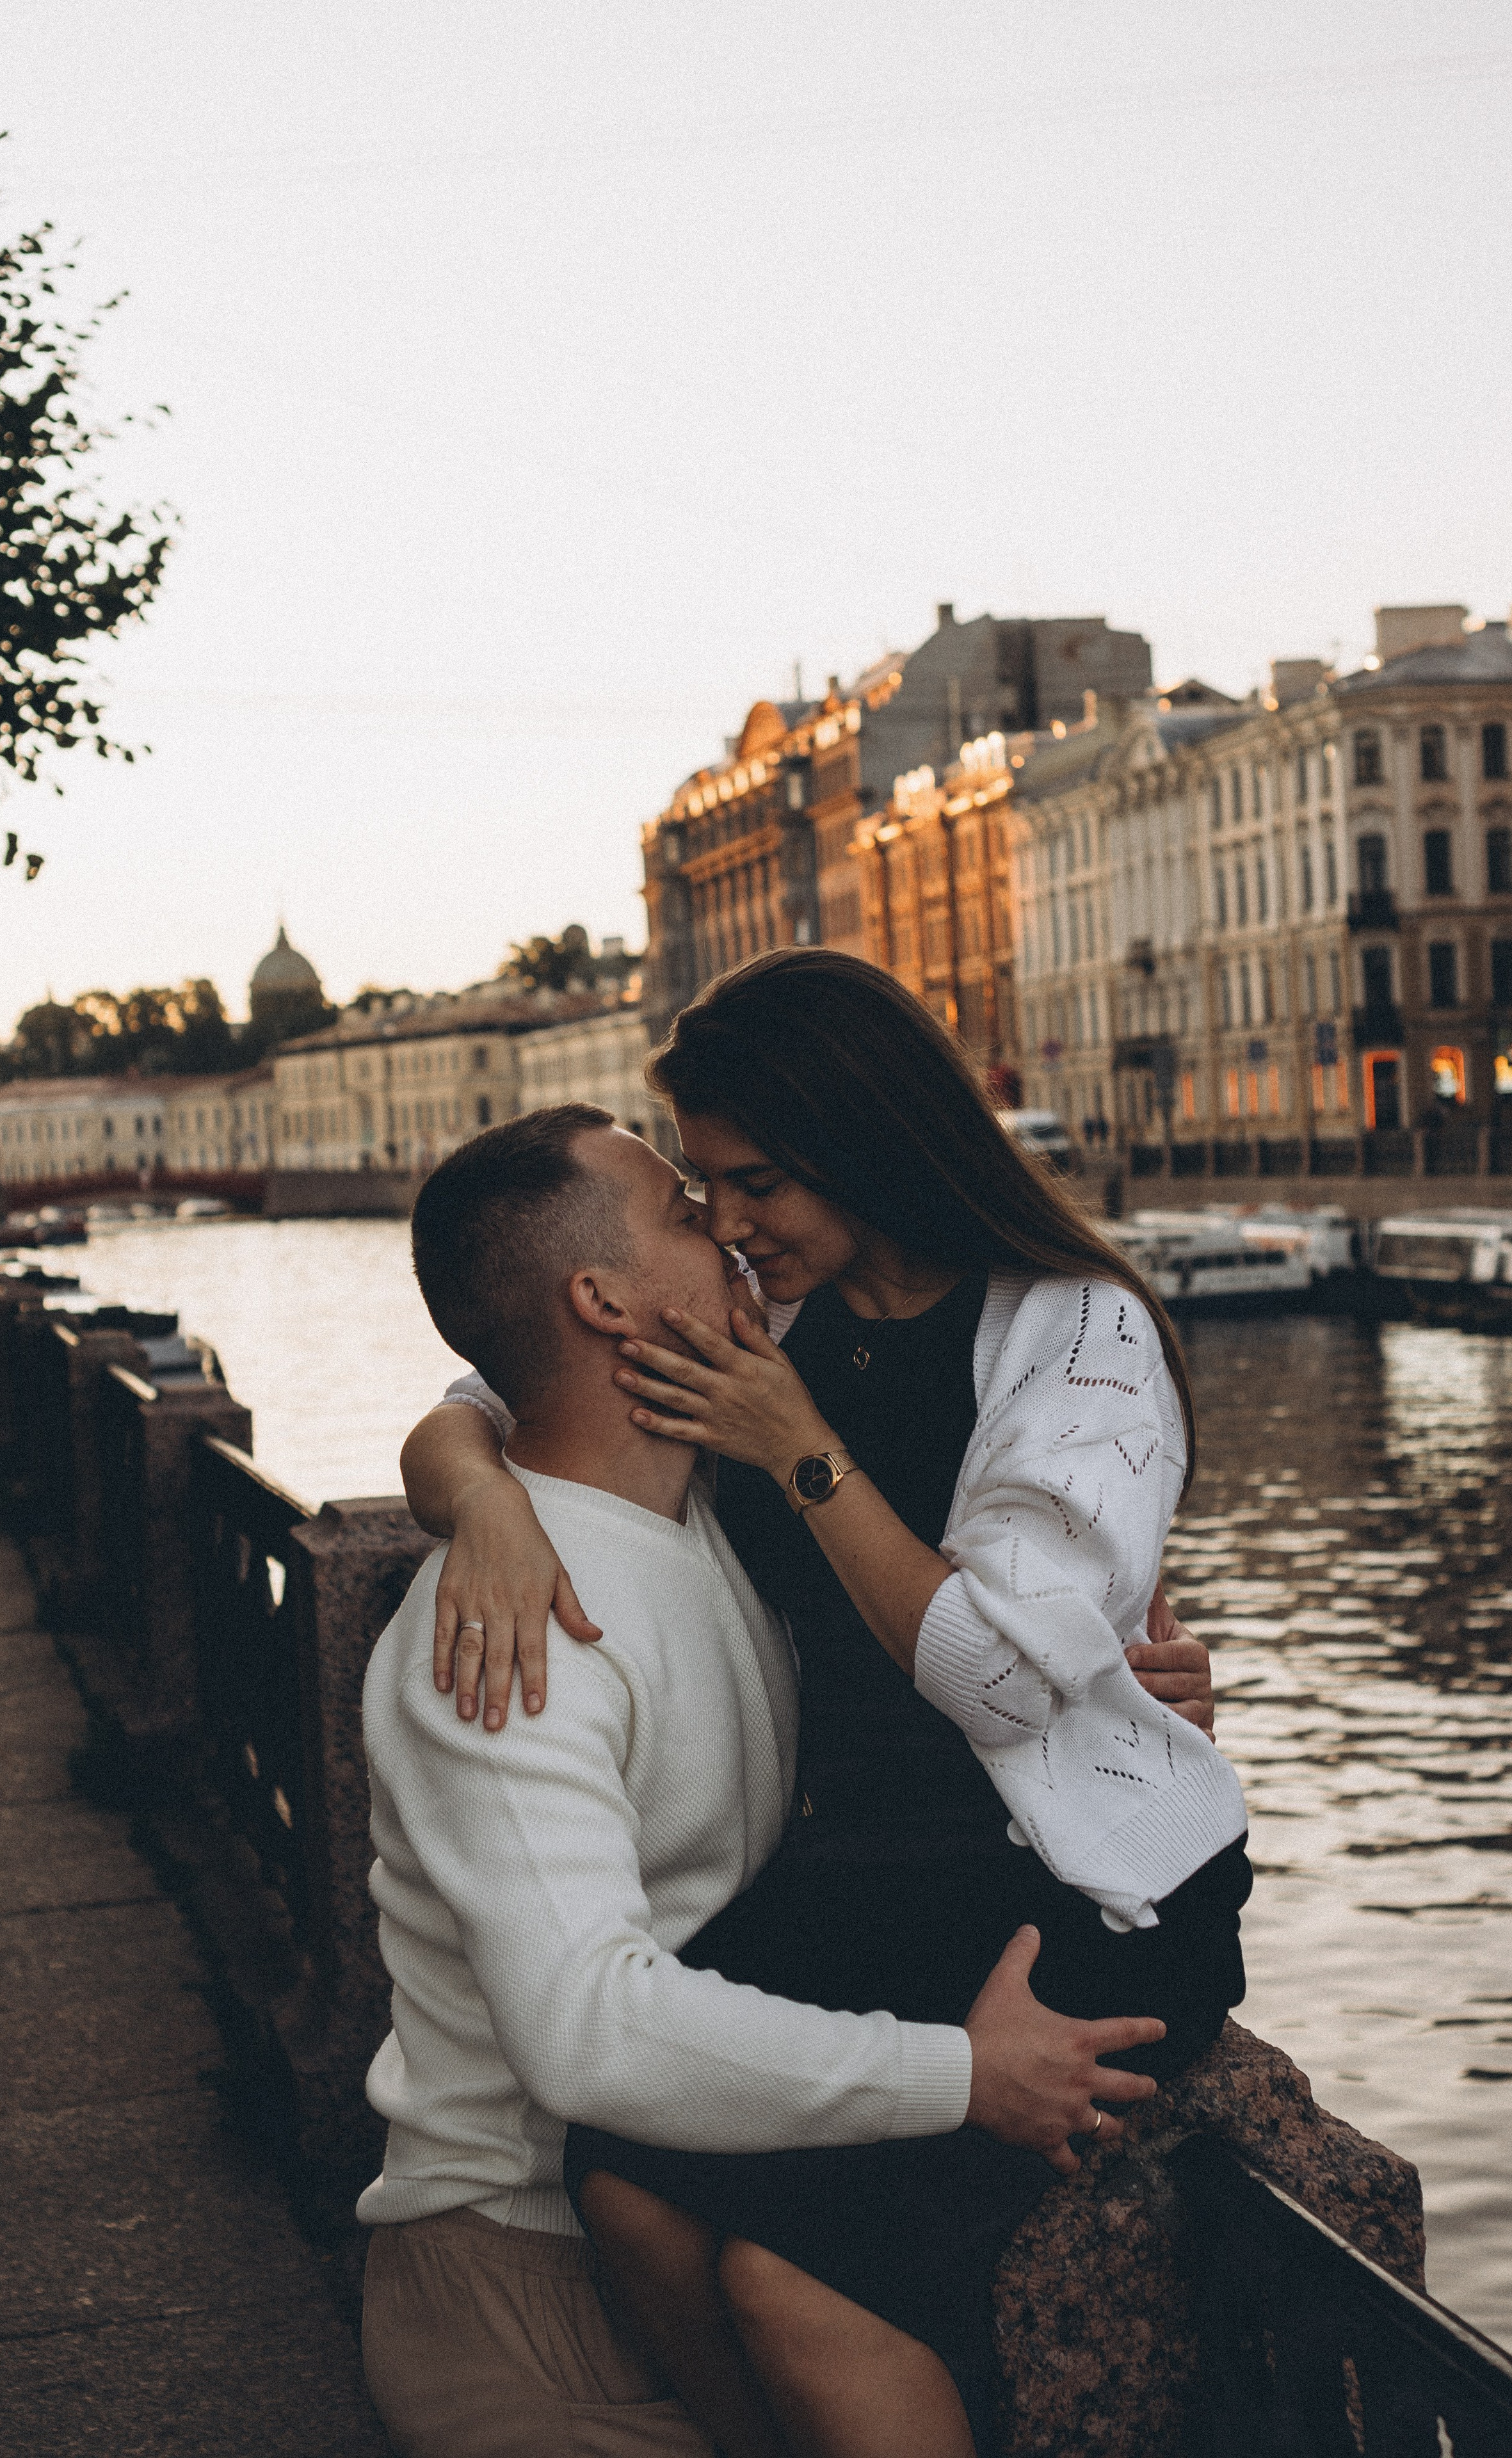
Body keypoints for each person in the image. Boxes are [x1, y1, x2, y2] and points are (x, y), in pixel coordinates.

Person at [402, 951, 1248, 2458]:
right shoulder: (773, 1315)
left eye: (757, 1184)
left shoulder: (1074, 1330)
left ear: (867, 1141)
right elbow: (502, 1376)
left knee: (796, 2281)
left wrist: (802, 1452)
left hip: (1061, 1891)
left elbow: (1001, 1681)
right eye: (703, 1193)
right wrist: (482, 1503)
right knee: (622, 2182)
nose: (730, 1225)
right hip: (868, 1872)